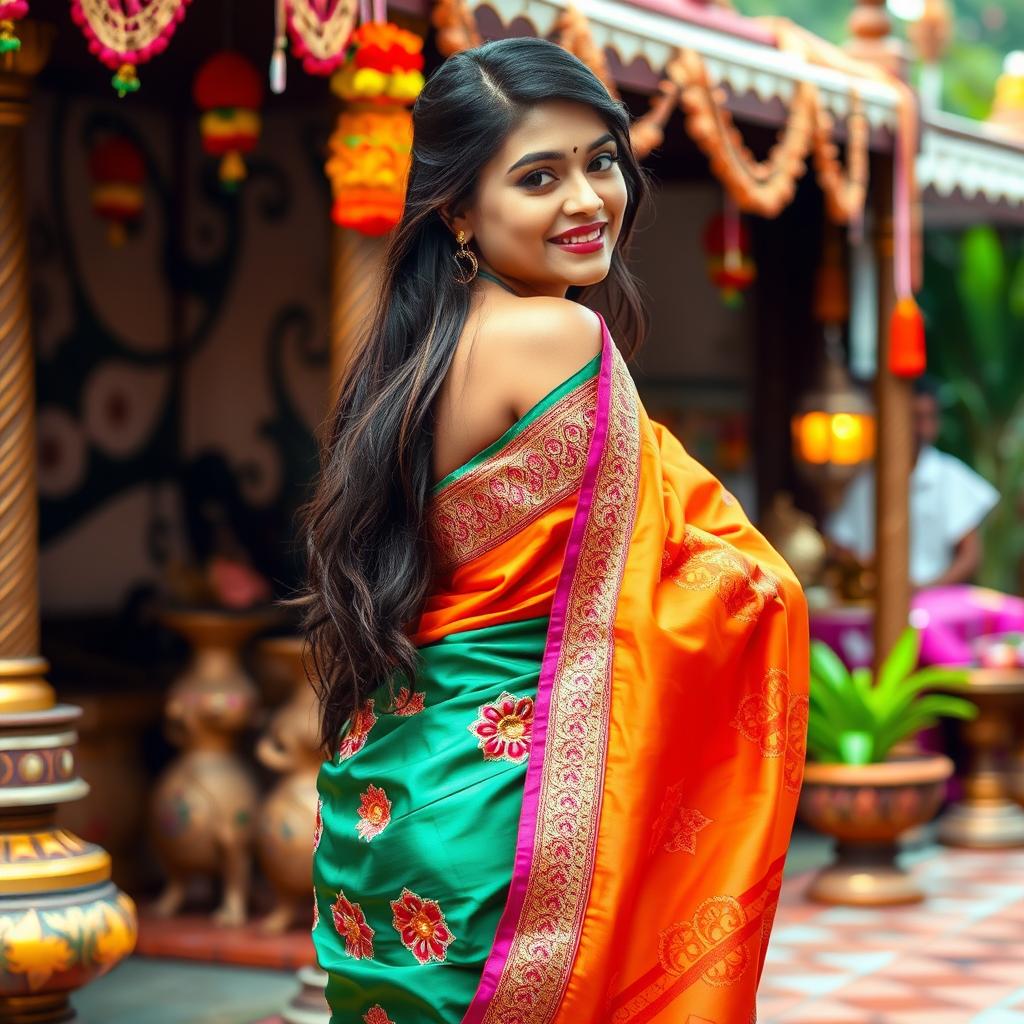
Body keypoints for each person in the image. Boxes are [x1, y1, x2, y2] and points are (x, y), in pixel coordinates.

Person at [296, 37, 809, 1024]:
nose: (586, 200)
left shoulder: (413, 358)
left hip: (391, 803)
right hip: (514, 830)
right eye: (539, 176)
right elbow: (714, 585)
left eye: (599, 160)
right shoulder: (558, 335)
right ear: (456, 208)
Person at [826, 374, 999, 590]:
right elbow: (842, 546)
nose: (923, 428)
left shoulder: (950, 476)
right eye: (916, 418)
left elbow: (970, 555)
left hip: (934, 604)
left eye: (930, 417)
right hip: (873, 601)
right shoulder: (865, 481)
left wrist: (927, 590)